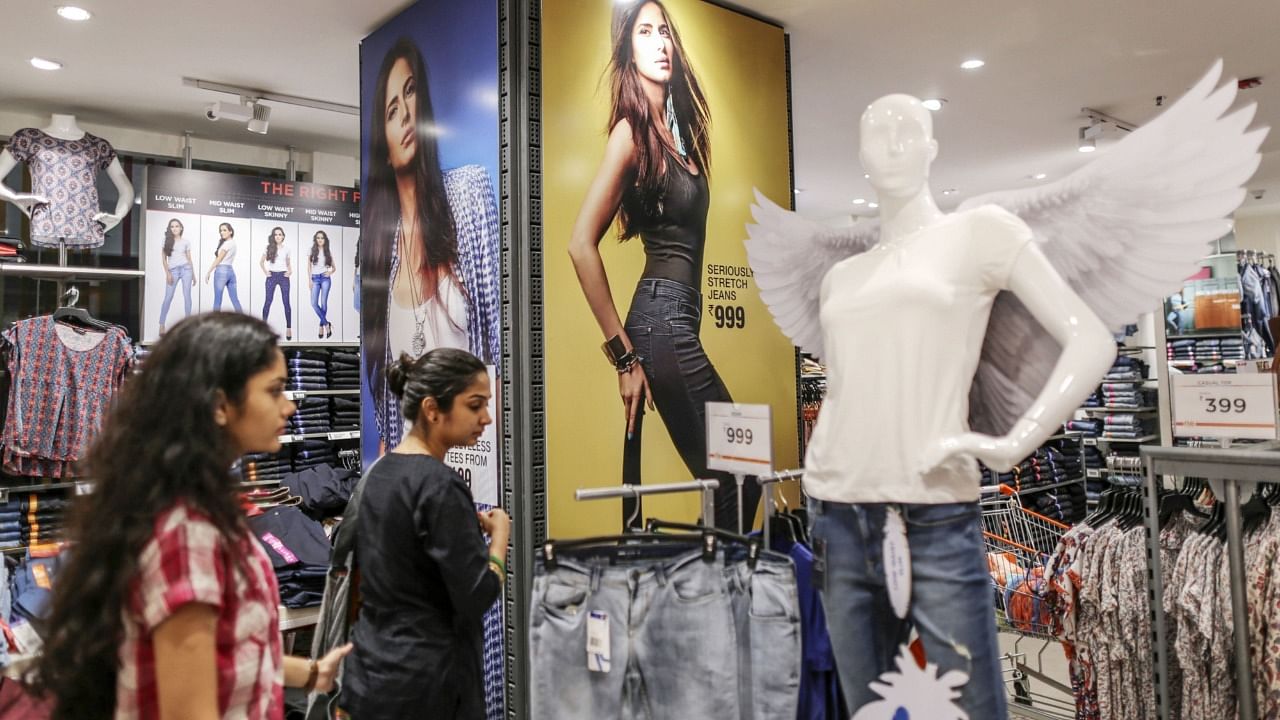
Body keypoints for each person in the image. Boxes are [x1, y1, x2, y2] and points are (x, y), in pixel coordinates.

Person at [31, 313, 353, 720]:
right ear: (220, 404)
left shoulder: (186, 505)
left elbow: (220, 653)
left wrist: (312, 673)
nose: (290, 405)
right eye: (274, 391)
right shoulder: (189, 534)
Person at [567, 0, 755, 530]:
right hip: (660, 324)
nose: (660, 42)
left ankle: (710, 594)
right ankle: (711, 599)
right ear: (627, 47)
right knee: (741, 474)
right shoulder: (630, 133)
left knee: (734, 477)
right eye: (645, 31)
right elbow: (581, 244)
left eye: (665, 31)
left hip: (678, 322)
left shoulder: (679, 136)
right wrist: (624, 360)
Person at [339, 348, 509, 719]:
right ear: (433, 410)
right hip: (427, 686)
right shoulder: (439, 486)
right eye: (475, 405)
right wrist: (498, 541)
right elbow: (476, 594)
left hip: (373, 673)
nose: (486, 418)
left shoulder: (379, 474)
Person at [362, 36, 500, 450]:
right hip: (412, 475)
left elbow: (497, 337)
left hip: (475, 466)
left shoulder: (469, 192)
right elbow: (387, 392)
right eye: (391, 111)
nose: (405, 113)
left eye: (410, 91)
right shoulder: (381, 249)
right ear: (383, 144)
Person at [158, 218, 195, 334]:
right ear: (170, 228)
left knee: (187, 296)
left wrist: (193, 274)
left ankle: (188, 324)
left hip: (186, 269)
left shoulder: (186, 242)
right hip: (173, 271)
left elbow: (189, 259)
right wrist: (167, 273)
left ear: (181, 228)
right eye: (172, 226)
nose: (174, 228)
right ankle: (161, 324)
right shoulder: (166, 240)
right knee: (168, 298)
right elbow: (163, 259)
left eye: (177, 226)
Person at [260, 226, 293, 341]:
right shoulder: (268, 248)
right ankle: (263, 329)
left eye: (280, 234)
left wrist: (290, 271)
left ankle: (289, 328)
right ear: (273, 237)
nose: (278, 236)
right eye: (276, 234)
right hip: (272, 276)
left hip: (284, 276)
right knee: (268, 301)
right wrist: (266, 272)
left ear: (283, 236)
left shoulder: (287, 249)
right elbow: (261, 262)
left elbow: (288, 263)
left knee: (286, 302)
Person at [205, 222, 244, 313]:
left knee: (217, 300)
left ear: (230, 231)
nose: (222, 232)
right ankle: (244, 322)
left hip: (221, 271)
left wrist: (209, 271)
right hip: (231, 271)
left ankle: (214, 325)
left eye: (224, 230)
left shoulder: (227, 244)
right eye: (221, 231)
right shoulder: (232, 243)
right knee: (235, 300)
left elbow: (219, 259)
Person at [308, 230, 337, 338]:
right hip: (315, 278)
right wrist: (309, 280)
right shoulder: (311, 250)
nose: (320, 240)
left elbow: (334, 267)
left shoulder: (327, 251)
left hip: (325, 279)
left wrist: (330, 272)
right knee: (314, 303)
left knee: (323, 303)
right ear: (316, 239)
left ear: (325, 240)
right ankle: (326, 324)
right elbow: (309, 266)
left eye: (322, 238)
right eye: (318, 238)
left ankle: (321, 326)